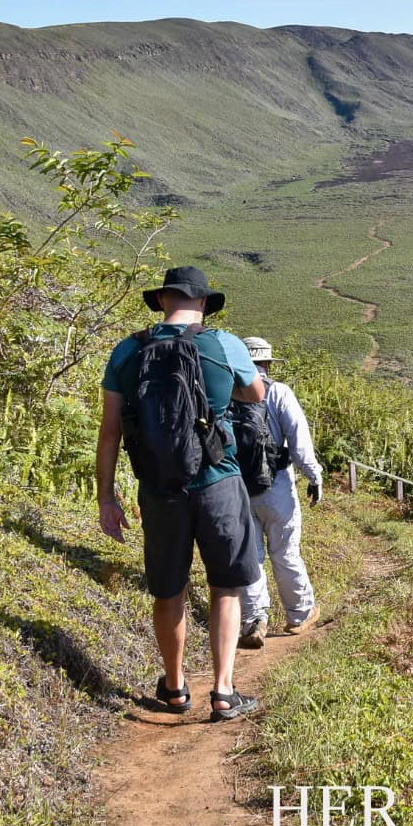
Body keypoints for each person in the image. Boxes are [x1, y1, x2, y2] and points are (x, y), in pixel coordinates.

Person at [97, 263, 266, 723]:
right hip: (218, 481)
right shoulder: (222, 344)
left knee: (168, 590)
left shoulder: (128, 351)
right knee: (225, 587)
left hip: (158, 489)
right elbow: (255, 395)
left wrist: (106, 498)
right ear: (204, 305)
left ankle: (174, 688)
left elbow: (110, 432)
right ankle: (223, 691)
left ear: (162, 302)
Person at [237, 336, 324, 648]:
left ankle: (253, 621)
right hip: (276, 488)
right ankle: (299, 615)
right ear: (268, 364)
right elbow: (300, 445)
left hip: (238, 490)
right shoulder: (278, 392)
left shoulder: (225, 392)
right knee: (285, 551)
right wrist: (314, 477)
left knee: (251, 556)